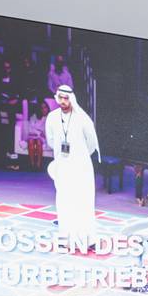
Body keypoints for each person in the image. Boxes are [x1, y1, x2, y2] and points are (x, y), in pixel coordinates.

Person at [44, 85, 100, 238]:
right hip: (62, 166)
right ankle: (66, 235)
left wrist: (79, 155)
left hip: (81, 166)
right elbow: (51, 140)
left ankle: (85, 237)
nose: (63, 101)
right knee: (64, 199)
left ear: (72, 99)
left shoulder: (82, 118)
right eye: (60, 97)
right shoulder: (52, 117)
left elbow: (92, 144)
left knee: (82, 199)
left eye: (66, 98)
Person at [25, 99, 50, 172]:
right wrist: (38, 132)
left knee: (39, 142)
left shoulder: (50, 117)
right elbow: (31, 128)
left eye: (45, 107)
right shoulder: (34, 116)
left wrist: (39, 133)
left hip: (42, 137)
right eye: (42, 108)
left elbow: (46, 131)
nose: (44, 109)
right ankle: (32, 164)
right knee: (31, 141)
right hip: (33, 135)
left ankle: (38, 164)